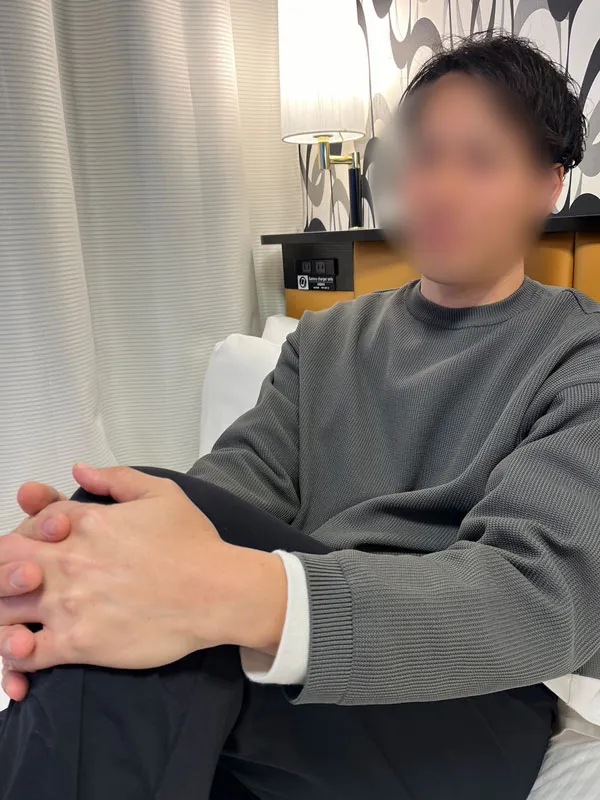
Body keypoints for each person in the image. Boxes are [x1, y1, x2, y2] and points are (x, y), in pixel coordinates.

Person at [1, 33, 599, 800]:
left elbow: (535, 600)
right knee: (119, 538)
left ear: (548, 185)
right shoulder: (327, 341)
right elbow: (230, 488)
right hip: (295, 669)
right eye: (424, 155)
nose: (441, 188)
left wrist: (233, 593)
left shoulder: (578, 356)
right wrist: (82, 557)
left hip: (469, 699)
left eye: (481, 161)